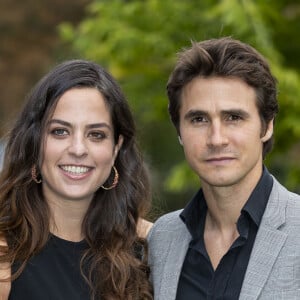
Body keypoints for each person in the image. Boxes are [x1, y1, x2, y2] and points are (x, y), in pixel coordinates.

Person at [148, 37, 300, 300]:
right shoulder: (163, 239)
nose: (216, 138)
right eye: (198, 119)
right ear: (180, 132)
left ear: (267, 126)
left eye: (233, 117)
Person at [0, 59, 153, 300]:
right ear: (35, 142)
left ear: (116, 147)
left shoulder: (149, 247)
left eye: (96, 134)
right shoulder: (4, 256)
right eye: (60, 131)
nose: (78, 149)